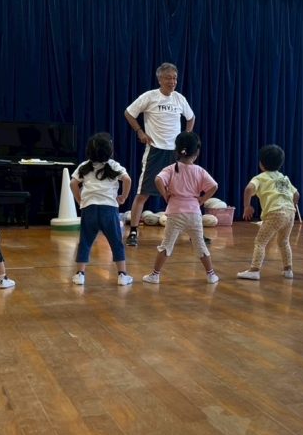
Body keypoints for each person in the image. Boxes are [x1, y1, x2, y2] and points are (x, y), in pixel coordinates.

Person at [123, 62, 194, 246]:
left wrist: (185, 136)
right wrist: (140, 131)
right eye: (169, 78)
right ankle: (133, 231)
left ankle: (194, 232)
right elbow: (129, 113)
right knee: (143, 193)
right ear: (160, 79)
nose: (173, 82)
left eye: (175, 78)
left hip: (176, 153)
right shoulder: (150, 96)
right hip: (155, 150)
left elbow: (191, 117)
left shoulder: (179, 99)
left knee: (184, 193)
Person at [142, 132, 219, 284]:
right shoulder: (199, 170)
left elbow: (158, 180)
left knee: (166, 246)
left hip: (175, 213)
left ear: (177, 150)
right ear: (197, 152)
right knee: (200, 245)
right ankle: (211, 275)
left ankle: (155, 275)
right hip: (194, 213)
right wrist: (202, 199)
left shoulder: (171, 168)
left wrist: (165, 194)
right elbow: (214, 186)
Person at [69, 133, 134, 286]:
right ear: (109, 151)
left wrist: (79, 199)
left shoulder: (84, 166)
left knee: (85, 242)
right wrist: (123, 197)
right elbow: (127, 179)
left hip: (89, 209)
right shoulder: (114, 165)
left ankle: (80, 275)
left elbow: (73, 183)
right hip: (109, 210)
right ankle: (122, 275)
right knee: (116, 242)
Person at [237, 144, 299, 280]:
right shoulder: (284, 178)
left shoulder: (260, 178)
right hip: (290, 213)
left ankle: (254, 270)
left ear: (261, 163)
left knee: (260, 242)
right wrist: (291, 206)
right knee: (284, 241)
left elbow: (248, 189)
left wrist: (247, 207)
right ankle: (288, 270)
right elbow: (296, 194)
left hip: (275, 213)